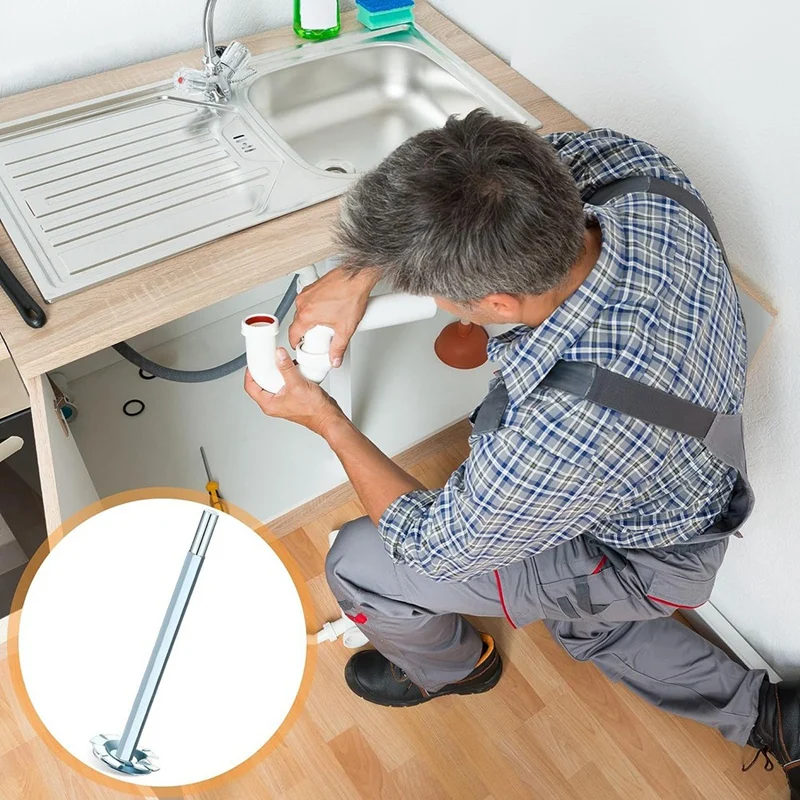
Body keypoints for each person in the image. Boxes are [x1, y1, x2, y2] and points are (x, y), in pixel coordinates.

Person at [244, 110, 799, 797]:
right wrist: (357, 273)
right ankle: (773, 716)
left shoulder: (564, 436)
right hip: (681, 480)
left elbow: (429, 548)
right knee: (588, 624)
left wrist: (326, 419)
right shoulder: (638, 175)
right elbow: (478, 183)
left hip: (641, 556)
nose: (440, 304)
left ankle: (455, 669)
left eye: (442, 295)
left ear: (500, 303)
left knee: (360, 563)